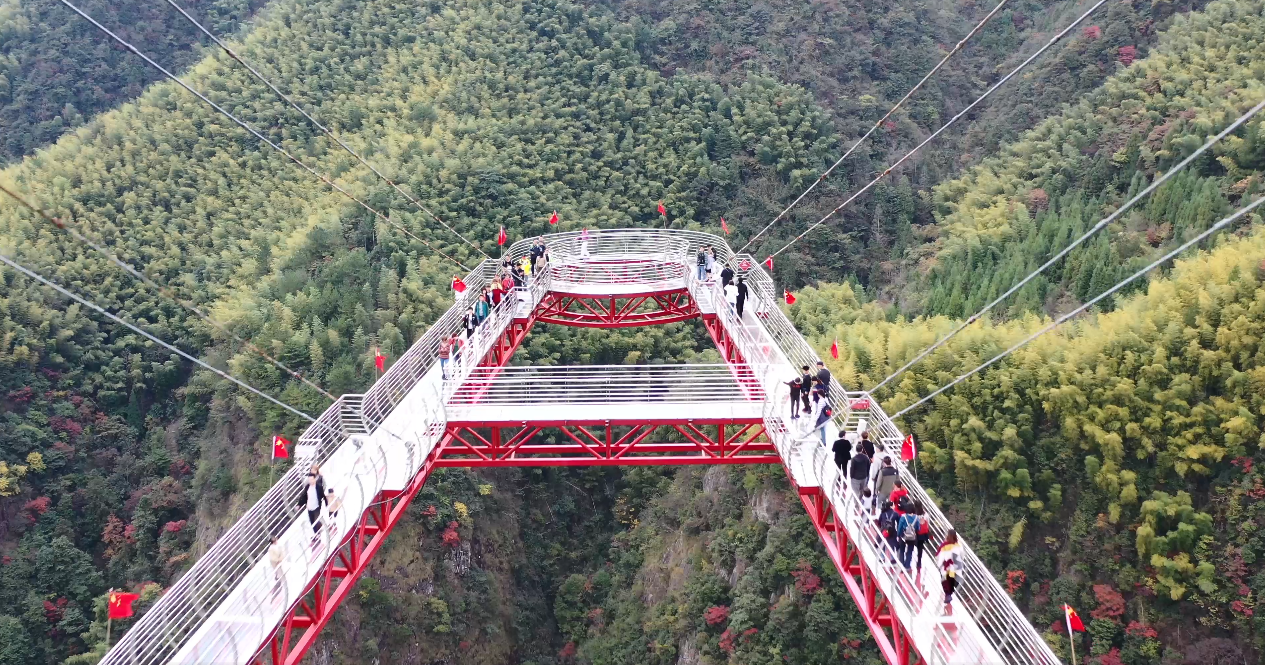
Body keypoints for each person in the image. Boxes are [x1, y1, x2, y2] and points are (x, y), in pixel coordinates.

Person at [937, 530, 963, 615]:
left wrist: (939, 565)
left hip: (946, 568)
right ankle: (949, 595)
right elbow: (962, 556)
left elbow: (940, 558)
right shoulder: (958, 546)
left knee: (945, 581)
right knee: (952, 582)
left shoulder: (944, 546)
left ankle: (948, 595)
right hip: (956, 568)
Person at [298, 465, 326, 537]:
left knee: (316, 521)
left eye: (311, 480)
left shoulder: (318, 486)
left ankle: (318, 532)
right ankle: (316, 534)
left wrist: (326, 503)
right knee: (312, 522)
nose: (310, 481)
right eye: (309, 480)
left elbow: (323, 495)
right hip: (309, 507)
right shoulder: (307, 487)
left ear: (314, 479)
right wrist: (299, 504)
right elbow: (304, 496)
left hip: (316, 506)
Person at [897, 506, 922, 571]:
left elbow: (899, 527)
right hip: (912, 537)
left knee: (902, 550)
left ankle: (901, 565)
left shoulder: (903, 517)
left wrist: (898, 535)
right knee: (910, 551)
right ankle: (907, 566)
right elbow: (918, 528)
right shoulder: (916, 518)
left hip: (903, 536)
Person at [876, 500, 900, 565]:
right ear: (891, 506)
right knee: (892, 545)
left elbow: (879, 522)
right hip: (892, 531)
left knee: (882, 544)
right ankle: (892, 558)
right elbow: (898, 523)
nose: (894, 506)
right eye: (893, 505)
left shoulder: (883, 513)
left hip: (884, 531)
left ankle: (882, 557)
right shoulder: (895, 514)